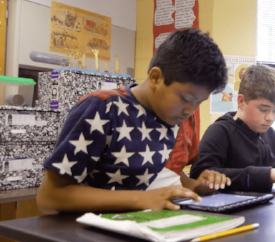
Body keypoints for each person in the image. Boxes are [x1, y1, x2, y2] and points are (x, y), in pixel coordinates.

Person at [37, 28, 229, 213]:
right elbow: (50, 197)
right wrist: (143, 199)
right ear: (155, 78)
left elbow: (146, 170)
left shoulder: (171, 114)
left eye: (199, 103)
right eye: (186, 99)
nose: (190, 111)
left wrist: (195, 187)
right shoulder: (103, 108)